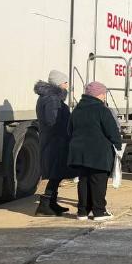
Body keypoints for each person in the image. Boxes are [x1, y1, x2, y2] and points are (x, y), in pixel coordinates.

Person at [68, 81, 122, 221]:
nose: (104, 97)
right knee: (98, 181)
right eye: (104, 94)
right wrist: (118, 145)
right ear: (99, 94)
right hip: (98, 153)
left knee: (84, 180)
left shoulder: (77, 109)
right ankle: (99, 211)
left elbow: (70, 130)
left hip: (79, 152)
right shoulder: (102, 109)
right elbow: (112, 130)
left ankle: (82, 211)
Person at [33, 70, 72, 216]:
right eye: (65, 82)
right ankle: (45, 205)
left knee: (58, 172)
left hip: (54, 140)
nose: (67, 85)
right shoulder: (52, 99)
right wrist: (67, 128)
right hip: (56, 141)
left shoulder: (49, 97)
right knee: (57, 172)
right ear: (59, 83)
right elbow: (53, 121)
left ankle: (51, 203)